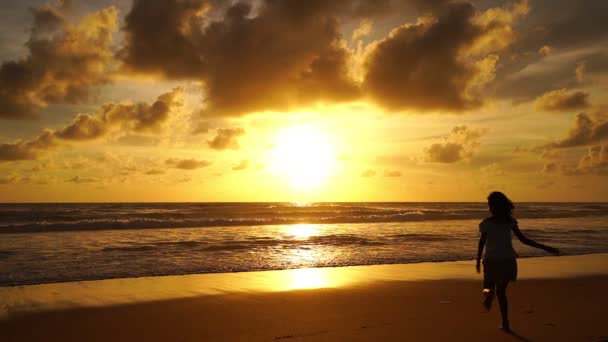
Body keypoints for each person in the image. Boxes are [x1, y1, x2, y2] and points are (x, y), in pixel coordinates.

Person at [475, 191, 559, 332]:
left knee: (487, 288)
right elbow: (524, 240)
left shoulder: (486, 223)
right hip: (508, 260)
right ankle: (506, 323)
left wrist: (478, 260)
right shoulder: (510, 221)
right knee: (502, 293)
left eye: (489, 204)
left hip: (491, 261)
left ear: (492, 206)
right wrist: (546, 248)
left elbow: (481, 242)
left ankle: (489, 295)